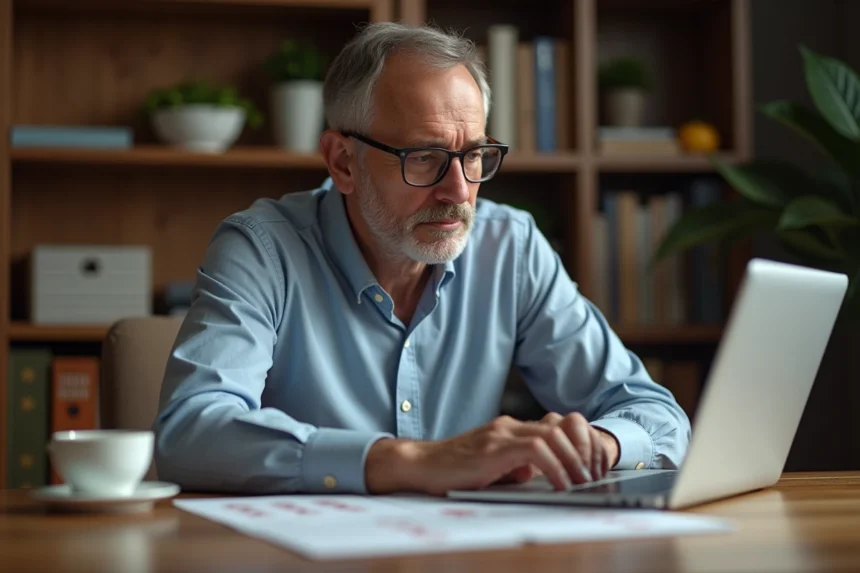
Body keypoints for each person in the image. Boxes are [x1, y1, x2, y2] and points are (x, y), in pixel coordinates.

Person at [153, 22, 691, 496]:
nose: (458, 190)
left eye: (475, 155)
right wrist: (416, 462)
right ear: (343, 162)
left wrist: (596, 443)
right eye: (425, 157)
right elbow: (192, 433)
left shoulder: (512, 247)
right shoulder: (262, 250)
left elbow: (660, 418)